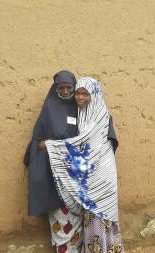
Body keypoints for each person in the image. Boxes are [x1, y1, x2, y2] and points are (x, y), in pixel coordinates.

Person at [44, 77, 124, 253]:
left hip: (102, 175)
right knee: (90, 217)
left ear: (94, 95)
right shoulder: (81, 115)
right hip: (90, 177)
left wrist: (51, 146)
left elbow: (86, 144)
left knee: (101, 216)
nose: (80, 97)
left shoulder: (101, 116)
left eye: (85, 94)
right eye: (78, 93)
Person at [24, 70, 83, 253]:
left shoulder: (80, 106)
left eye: (68, 88)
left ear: (74, 87)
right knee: (59, 215)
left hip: (75, 173)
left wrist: (53, 145)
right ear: (56, 88)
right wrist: (33, 156)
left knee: (76, 216)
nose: (65, 91)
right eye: (61, 88)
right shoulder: (49, 107)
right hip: (54, 172)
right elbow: (38, 136)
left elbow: (85, 139)